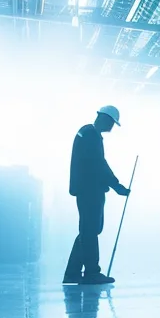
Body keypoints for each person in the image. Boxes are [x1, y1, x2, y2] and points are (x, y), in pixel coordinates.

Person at [64, 105, 129, 285]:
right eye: (112, 123)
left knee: (87, 231)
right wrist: (117, 186)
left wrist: (115, 185)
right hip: (90, 190)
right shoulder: (91, 136)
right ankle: (92, 273)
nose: (112, 127)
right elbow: (98, 164)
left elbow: (98, 163)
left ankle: (72, 273)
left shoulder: (87, 133)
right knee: (90, 231)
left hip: (86, 189)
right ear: (104, 119)